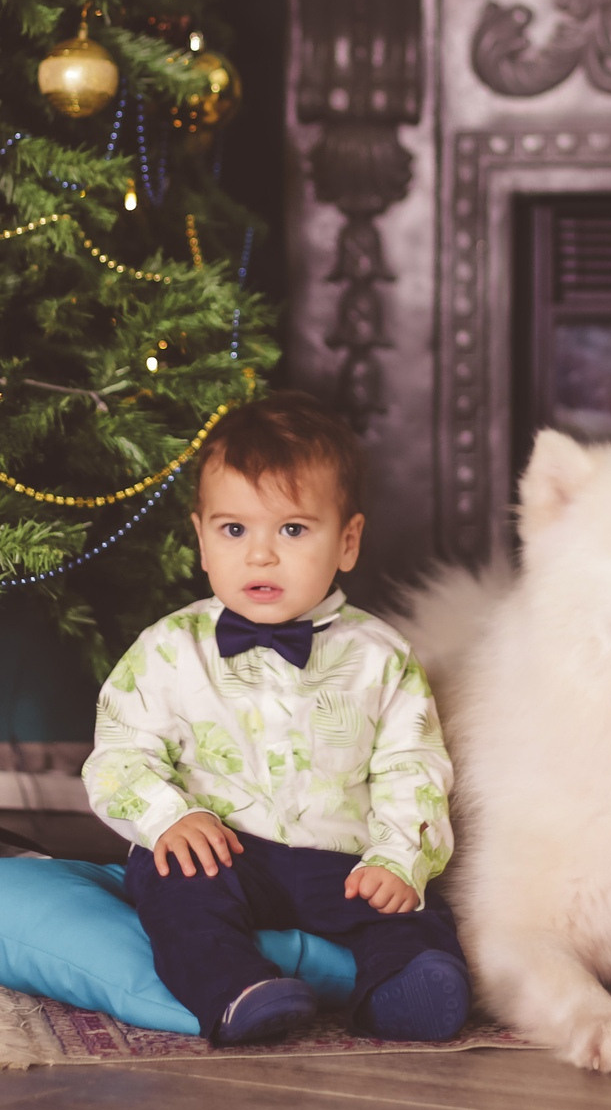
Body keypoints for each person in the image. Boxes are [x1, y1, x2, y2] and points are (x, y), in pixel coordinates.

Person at [81, 391, 466, 1046]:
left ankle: (402, 990)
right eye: (235, 530)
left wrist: (399, 859)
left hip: (339, 860)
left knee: (416, 914)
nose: (260, 555)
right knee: (176, 888)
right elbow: (120, 755)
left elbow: (414, 768)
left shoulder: (383, 658)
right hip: (223, 852)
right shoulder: (168, 649)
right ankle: (236, 989)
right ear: (202, 541)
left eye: (292, 530)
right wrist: (170, 817)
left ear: (347, 541)